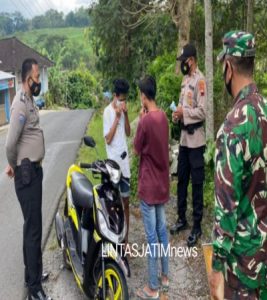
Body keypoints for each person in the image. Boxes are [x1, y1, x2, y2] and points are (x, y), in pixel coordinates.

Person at [209, 31, 267, 300]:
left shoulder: (233, 126)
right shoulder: (265, 110)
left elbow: (226, 207)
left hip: (243, 268)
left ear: (228, 68)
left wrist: (217, 268)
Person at [5, 58, 51, 300]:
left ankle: (32, 273)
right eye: (36, 77)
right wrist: (14, 165)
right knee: (33, 230)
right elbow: (10, 143)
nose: (38, 81)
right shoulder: (20, 105)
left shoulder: (30, 101)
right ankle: (34, 289)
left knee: (32, 226)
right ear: (27, 79)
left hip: (33, 171)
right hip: (27, 174)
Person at [135, 76, 169, 300]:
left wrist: (140, 120)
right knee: (162, 231)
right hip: (162, 184)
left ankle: (153, 287)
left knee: (151, 237)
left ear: (144, 97)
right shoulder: (164, 117)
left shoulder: (145, 121)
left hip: (148, 186)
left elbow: (137, 148)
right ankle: (165, 275)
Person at [170, 44, 207, 247]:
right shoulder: (185, 81)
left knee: (197, 183)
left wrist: (185, 114)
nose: (182, 64)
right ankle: (182, 219)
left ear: (191, 60)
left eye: (184, 60)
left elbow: (202, 112)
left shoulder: (200, 80)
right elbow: (181, 107)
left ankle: (197, 226)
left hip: (196, 140)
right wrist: (176, 115)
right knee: (182, 180)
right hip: (184, 140)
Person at [103, 79, 131, 244]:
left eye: (124, 99)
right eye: (120, 99)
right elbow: (107, 139)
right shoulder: (107, 112)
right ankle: (114, 237)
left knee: (126, 202)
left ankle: (126, 240)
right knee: (113, 203)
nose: (122, 102)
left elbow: (127, 132)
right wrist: (116, 117)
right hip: (112, 164)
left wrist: (125, 115)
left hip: (124, 162)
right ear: (114, 96)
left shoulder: (124, 110)